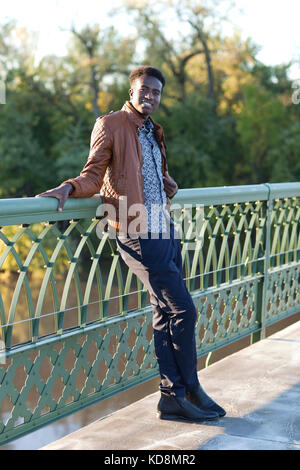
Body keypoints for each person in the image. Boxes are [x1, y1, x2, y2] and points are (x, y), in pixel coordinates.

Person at [37, 65, 225, 422]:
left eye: (156, 92)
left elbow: (150, 172)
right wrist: (68, 187)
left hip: (165, 229)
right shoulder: (110, 124)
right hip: (136, 231)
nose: (150, 96)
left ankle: (173, 397)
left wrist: (168, 184)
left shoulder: (153, 129)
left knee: (164, 311)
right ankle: (190, 389)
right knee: (184, 309)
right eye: (145, 90)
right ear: (132, 91)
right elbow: (94, 173)